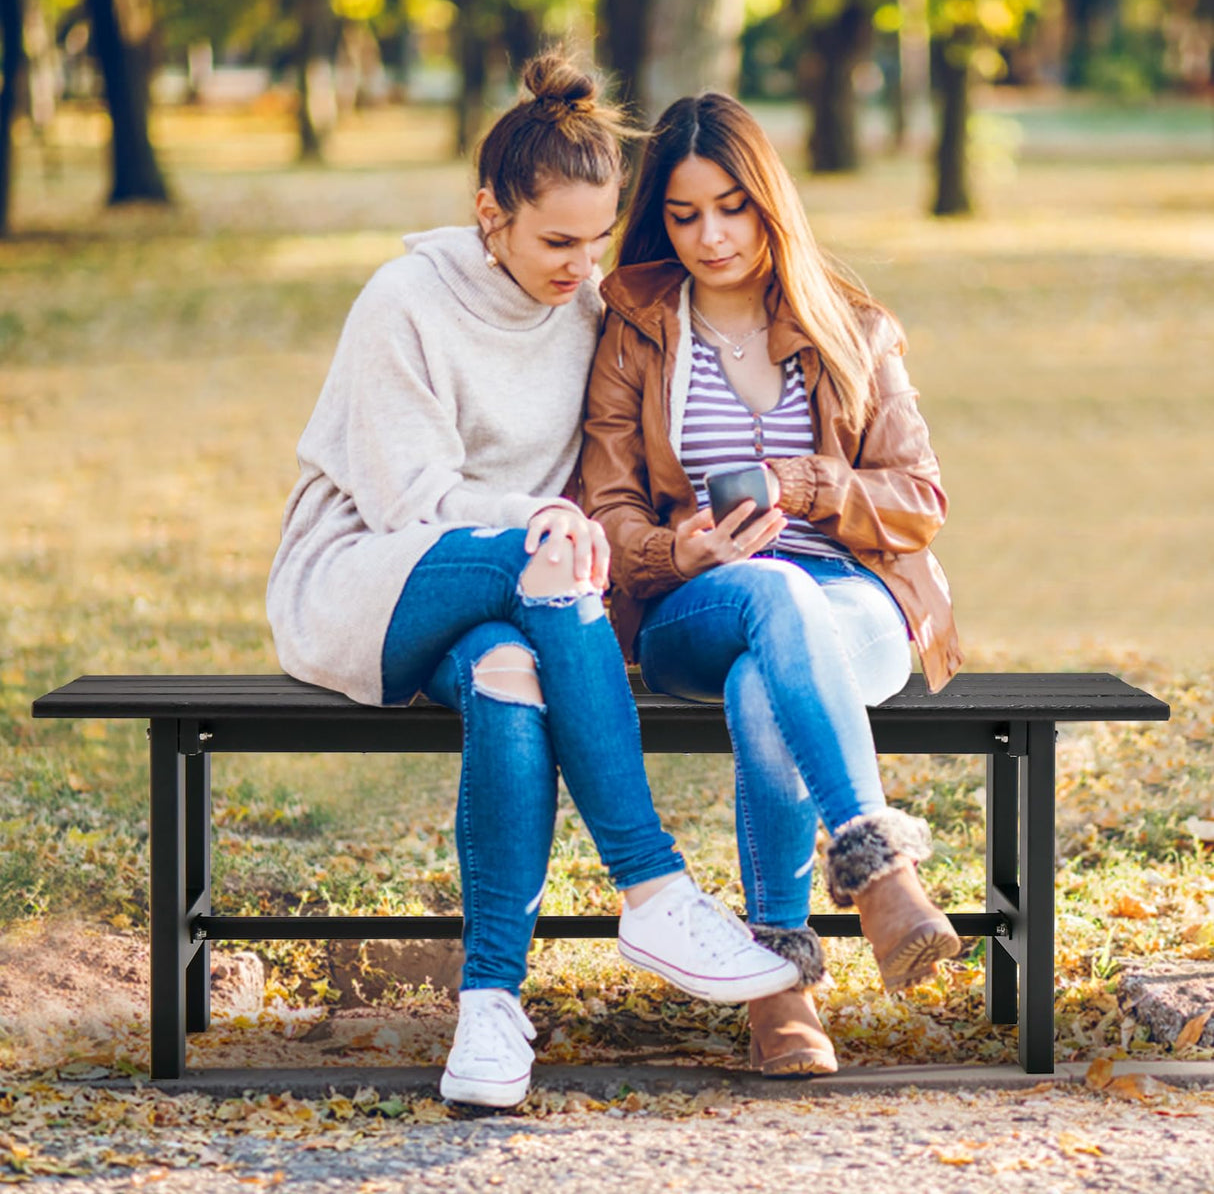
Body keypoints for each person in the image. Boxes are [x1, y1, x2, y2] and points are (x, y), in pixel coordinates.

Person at [266, 60, 800, 1108]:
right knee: (542, 563)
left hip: (523, 596)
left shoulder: (590, 309)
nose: (579, 267)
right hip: (366, 579)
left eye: (596, 240)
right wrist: (539, 524)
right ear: (488, 213)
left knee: (510, 674)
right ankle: (650, 884)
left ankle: (487, 1010)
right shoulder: (403, 302)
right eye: (556, 241)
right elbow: (411, 502)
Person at [581, 92, 965, 1078]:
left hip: (852, 601)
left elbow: (918, 495)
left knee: (771, 670)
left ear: (768, 202)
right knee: (767, 600)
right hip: (697, 605)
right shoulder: (634, 326)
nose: (709, 236)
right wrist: (681, 552)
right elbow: (608, 505)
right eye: (682, 213)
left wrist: (812, 486)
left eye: (731, 207)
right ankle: (878, 872)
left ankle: (777, 986)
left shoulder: (851, 326)